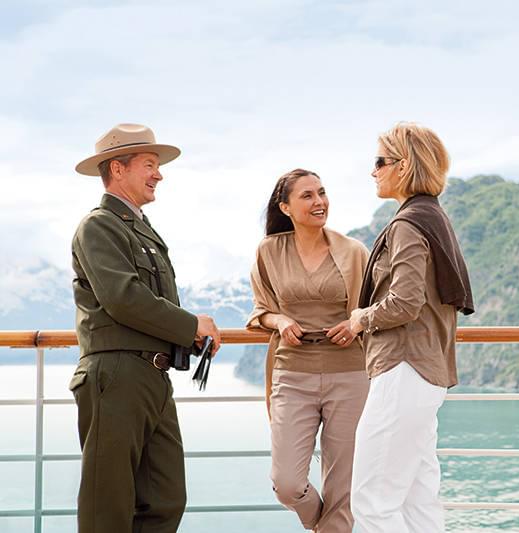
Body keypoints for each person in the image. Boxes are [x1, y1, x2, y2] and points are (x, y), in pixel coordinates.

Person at [68, 123, 222, 533]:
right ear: (117, 169)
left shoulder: (140, 229)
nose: (159, 174)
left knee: (166, 498)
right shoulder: (98, 225)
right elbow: (124, 298)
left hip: (153, 375)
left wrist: (190, 332)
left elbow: (149, 302)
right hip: (116, 376)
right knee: (108, 506)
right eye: (150, 165)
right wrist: (191, 325)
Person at [348, 122, 475, 532]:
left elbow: (404, 302)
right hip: (427, 373)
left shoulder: (407, 225)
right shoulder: (434, 218)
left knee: (372, 502)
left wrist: (359, 319)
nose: (373, 171)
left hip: (403, 369)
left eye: (379, 162)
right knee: (419, 500)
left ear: (403, 167)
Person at [246, 168, 369, 532]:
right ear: (285, 207)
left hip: (349, 371)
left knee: (342, 483)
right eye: (308, 196)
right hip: (292, 371)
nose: (320, 202)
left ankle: (333, 525)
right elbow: (260, 310)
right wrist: (280, 321)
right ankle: (325, 524)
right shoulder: (269, 251)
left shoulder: (353, 251)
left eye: (322, 193)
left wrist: (355, 324)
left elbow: (369, 308)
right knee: (286, 483)